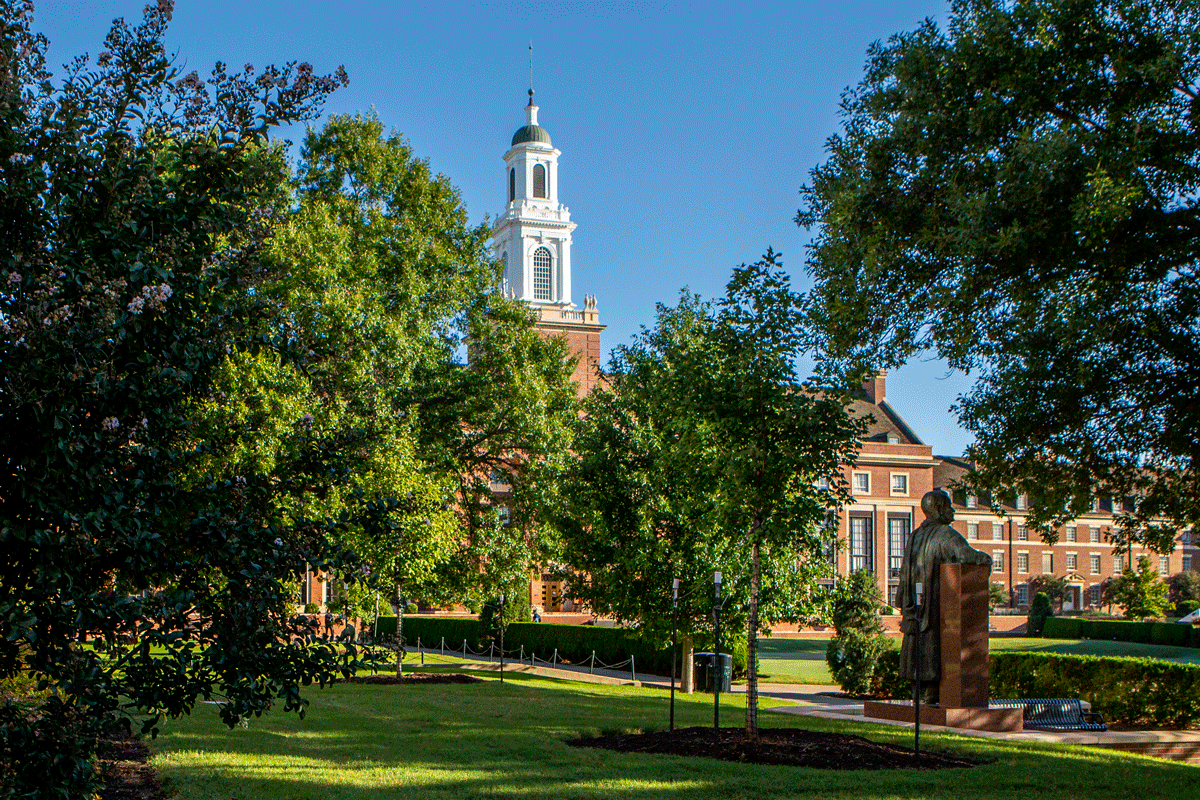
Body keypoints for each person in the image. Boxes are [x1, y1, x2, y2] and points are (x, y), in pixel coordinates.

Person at [899, 489, 992, 705]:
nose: (953, 511)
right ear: (939, 509)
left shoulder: (915, 536)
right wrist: (985, 559)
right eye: (949, 506)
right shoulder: (945, 534)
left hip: (915, 604)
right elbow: (967, 556)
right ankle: (929, 693)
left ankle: (919, 692)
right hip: (934, 607)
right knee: (930, 649)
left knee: (918, 648)